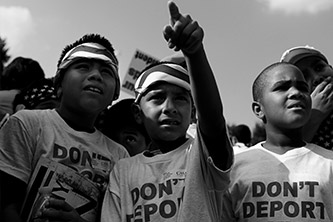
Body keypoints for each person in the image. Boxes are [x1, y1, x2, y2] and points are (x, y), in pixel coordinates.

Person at [101, 1, 233, 221]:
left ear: (193, 113)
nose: (169, 108)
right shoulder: (123, 170)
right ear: (137, 113)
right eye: (157, 98)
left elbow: (213, 120)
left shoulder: (202, 156)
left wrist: (194, 52)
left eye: (181, 99)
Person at [0, 33, 129, 222]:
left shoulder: (120, 156)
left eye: (106, 72)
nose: (96, 76)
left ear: (114, 95)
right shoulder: (27, 125)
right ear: (59, 84)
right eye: (83, 66)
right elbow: (5, 205)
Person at [222, 62, 333, 221]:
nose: (296, 93)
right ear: (258, 109)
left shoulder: (329, 162)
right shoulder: (234, 168)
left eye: (302, 87)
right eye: (282, 87)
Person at [280, 45, 333, 150]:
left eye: (319, 68)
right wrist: (313, 116)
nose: (317, 78)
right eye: (304, 77)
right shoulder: (292, 127)